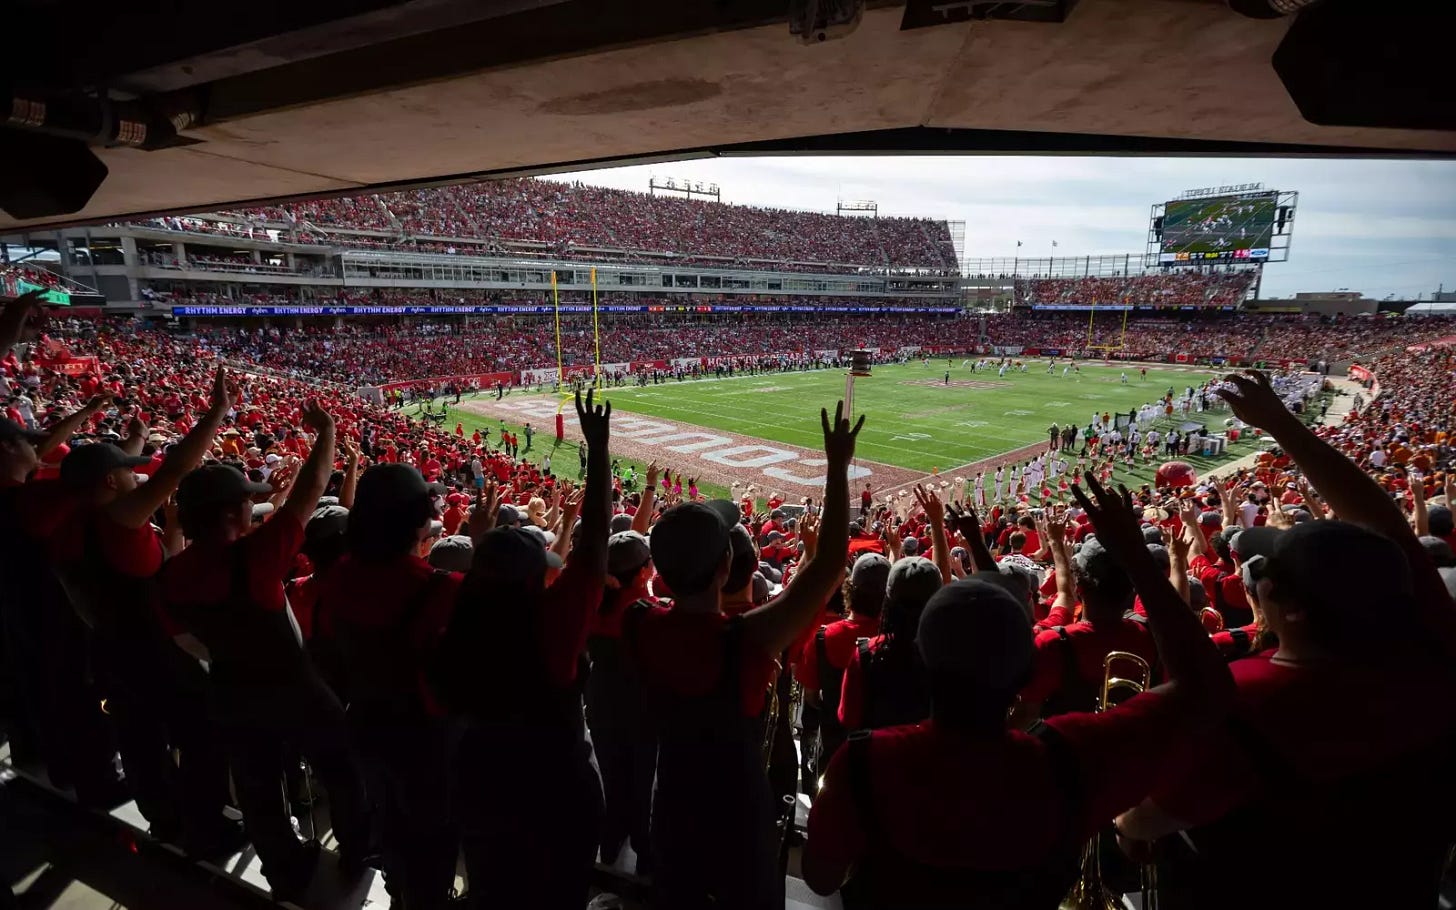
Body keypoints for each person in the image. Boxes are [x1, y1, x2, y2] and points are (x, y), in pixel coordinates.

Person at [802, 475, 1235, 908]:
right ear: (1024, 668)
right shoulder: (1068, 755)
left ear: (925, 657)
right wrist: (1137, 561)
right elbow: (1206, 689)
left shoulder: (863, 760)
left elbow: (821, 880)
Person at [1116, 371, 1456, 910]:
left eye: (1269, 572)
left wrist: (1281, 427)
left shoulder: (1249, 695)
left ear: (1289, 606)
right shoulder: (1428, 646)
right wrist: (1281, 426)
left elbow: (1145, 820)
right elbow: (1387, 527)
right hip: (1407, 883)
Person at [625, 401, 862, 909]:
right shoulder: (749, 637)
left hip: (672, 796)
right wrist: (837, 468)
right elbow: (828, 566)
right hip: (737, 806)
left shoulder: (639, 621)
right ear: (727, 563)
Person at [160, 399, 370, 899]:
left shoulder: (172, 575)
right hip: (293, 685)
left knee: (258, 790)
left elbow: (185, 640)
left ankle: (285, 871)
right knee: (340, 767)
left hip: (231, 686)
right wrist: (327, 430)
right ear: (234, 512)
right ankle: (359, 848)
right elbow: (313, 489)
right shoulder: (255, 558)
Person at [435, 390, 611, 910]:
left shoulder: (461, 615)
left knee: (493, 882)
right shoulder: (552, 623)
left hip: (480, 774)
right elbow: (596, 542)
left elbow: (480, 582)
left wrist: (482, 539)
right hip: (554, 783)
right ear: (537, 577)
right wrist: (597, 450)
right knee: (561, 889)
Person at [311, 462, 464, 910]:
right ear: (416, 521)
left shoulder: (338, 575)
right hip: (426, 734)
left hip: (366, 720)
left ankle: (400, 890)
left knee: (389, 817)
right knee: (433, 833)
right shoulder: (441, 588)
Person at [587, 530, 658, 874]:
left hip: (601, 702)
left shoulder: (594, 603)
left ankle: (611, 840)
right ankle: (644, 849)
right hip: (641, 709)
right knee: (642, 782)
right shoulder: (651, 612)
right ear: (643, 571)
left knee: (613, 777)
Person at [797, 552, 889, 781]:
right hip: (882, 758)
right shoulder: (896, 640)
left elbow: (810, 698)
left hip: (834, 752)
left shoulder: (823, 638)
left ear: (851, 589)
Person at [837, 557, 945, 732]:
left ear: (888, 602)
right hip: (935, 757)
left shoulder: (867, 654)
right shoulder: (952, 655)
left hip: (879, 755)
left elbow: (849, 718)